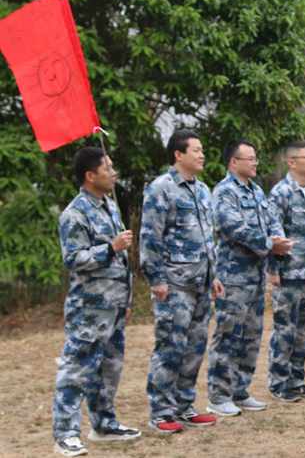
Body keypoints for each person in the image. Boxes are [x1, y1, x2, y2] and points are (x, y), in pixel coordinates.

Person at [53, 148, 140, 457]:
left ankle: (104, 425)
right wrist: (111, 248)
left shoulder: (109, 207)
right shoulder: (74, 213)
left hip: (113, 304)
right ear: (91, 176)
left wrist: (126, 297)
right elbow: (74, 259)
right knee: (76, 369)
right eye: (108, 167)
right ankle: (66, 433)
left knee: (109, 369)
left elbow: (123, 262)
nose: (113, 172)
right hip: (89, 307)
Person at [140, 130, 223, 434]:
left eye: (203, 150)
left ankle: (184, 406)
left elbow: (208, 238)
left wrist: (213, 276)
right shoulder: (161, 189)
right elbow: (150, 236)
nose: (202, 155)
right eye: (196, 150)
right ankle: (161, 411)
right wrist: (156, 278)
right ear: (178, 154)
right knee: (170, 348)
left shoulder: (202, 190)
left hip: (201, 283)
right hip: (174, 284)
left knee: (194, 348)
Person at [206, 141, 293, 414]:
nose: (255, 163)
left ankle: (240, 390)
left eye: (256, 158)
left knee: (251, 336)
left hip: (255, 276)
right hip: (232, 276)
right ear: (234, 162)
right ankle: (219, 396)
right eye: (250, 159)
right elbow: (234, 228)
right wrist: (269, 243)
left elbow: (272, 218)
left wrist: (277, 238)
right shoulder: (224, 192)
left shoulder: (256, 191)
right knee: (228, 335)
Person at [267, 142, 305, 401]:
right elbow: (274, 233)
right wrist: (273, 271)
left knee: (304, 331)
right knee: (285, 330)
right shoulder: (280, 193)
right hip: (289, 274)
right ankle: (279, 383)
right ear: (292, 162)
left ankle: (296, 380)